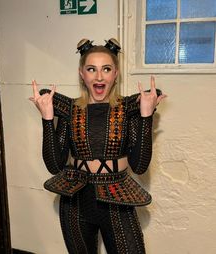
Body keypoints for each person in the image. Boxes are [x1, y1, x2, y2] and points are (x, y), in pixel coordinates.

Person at [30, 38, 166, 254]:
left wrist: (146, 117)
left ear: (115, 74)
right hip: (75, 200)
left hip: (117, 198)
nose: (99, 76)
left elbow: (140, 166)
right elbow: (54, 166)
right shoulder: (70, 110)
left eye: (106, 69)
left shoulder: (128, 109)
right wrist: (47, 119)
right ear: (82, 74)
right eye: (91, 69)